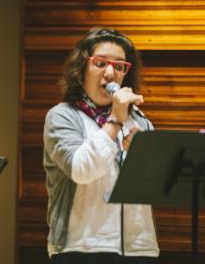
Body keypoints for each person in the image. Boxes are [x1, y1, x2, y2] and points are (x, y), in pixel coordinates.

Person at [43, 27, 159, 264]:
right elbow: (81, 170)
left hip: (138, 247)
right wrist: (115, 120)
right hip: (81, 246)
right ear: (82, 68)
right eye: (100, 63)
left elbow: (155, 185)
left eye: (119, 66)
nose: (110, 73)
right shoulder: (62, 116)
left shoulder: (139, 120)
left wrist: (139, 156)